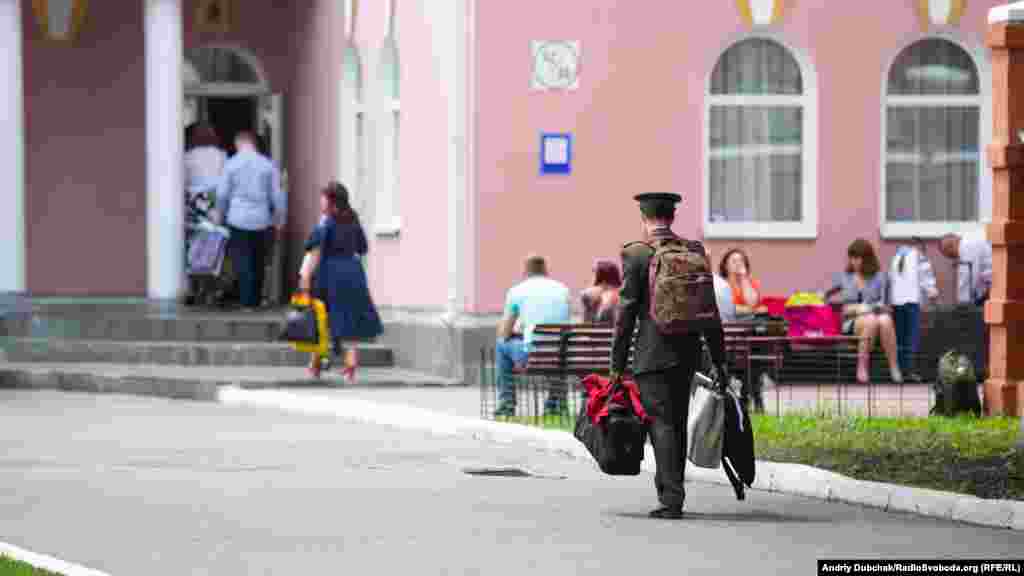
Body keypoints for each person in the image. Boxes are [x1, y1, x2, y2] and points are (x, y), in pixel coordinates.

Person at [609, 192, 729, 520]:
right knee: (675, 421)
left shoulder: (636, 253)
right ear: (672, 217)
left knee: (662, 423)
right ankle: (673, 492)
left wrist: (617, 366)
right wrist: (719, 360)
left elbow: (626, 314)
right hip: (687, 352)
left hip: (651, 354)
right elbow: (710, 311)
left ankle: (671, 498)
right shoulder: (694, 251)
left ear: (644, 218)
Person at [298, 182, 382, 382]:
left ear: (332, 201)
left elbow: (313, 250)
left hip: (330, 274)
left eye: (324, 197)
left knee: (321, 318)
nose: (321, 201)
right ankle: (350, 364)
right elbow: (362, 247)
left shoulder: (325, 223)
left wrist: (305, 277)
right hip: (353, 273)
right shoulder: (353, 221)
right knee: (349, 321)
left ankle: (315, 364)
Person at [215, 131, 286, 311]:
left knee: (242, 259)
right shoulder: (268, 165)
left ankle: (247, 302)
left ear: (239, 143)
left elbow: (222, 194)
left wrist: (219, 214)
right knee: (259, 259)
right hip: (261, 218)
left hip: (237, 217)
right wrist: (279, 218)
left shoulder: (231, 165)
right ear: (254, 144)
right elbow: (277, 195)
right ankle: (255, 298)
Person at [494, 254, 571, 417]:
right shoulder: (562, 289)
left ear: (525, 271)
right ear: (545, 270)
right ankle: (555, 404)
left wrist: (514, 333)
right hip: (560, 355)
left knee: (501, 344)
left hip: (532, 355)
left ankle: (507, 403)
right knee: (554, 349)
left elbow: (505, 332)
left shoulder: (517, 291)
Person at [827, 238, 901, 384]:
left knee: (885, 320)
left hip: (878, 318)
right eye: (851, 257)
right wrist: (858, 309)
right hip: (852, 321)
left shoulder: (881, 277)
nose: (853, 261)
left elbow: (888, 307)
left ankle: (894, 367)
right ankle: (862, 367)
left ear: (867, 259)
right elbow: (828, 298)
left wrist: (876, 308)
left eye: (857, 258)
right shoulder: (845, 277)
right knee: (871, 320)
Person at [887, 237, 939, 382]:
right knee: (912, 337)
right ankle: (909, 371)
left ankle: (900, 370)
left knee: (900, 338)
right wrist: (933, 293)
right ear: (920, 246)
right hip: (912, 303)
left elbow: (890, 280)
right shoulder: (919, 257)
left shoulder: (896, 257)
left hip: (897, 303)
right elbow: (926, 276)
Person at [939, 232, 992, 306]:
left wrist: (963, 302)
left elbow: (968, 276)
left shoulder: (966, 247)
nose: (955, 258)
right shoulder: (969, 241)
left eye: (951, 255)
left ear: (949, 247)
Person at [719, 248, 767, 316]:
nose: (738, 264)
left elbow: (752, 303)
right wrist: (755, 310)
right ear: (726, 266)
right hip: (731, 322)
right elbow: (729, 309)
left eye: (741, 261)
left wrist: (743, 277)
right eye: (734, 261)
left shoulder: (750, 283)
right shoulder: (721, 284)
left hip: (752, 322)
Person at [580, 259, 621, 324]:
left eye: (593, 272)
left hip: (600, 332)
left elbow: (586, 325)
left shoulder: (588, 294)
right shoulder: (624, 294)